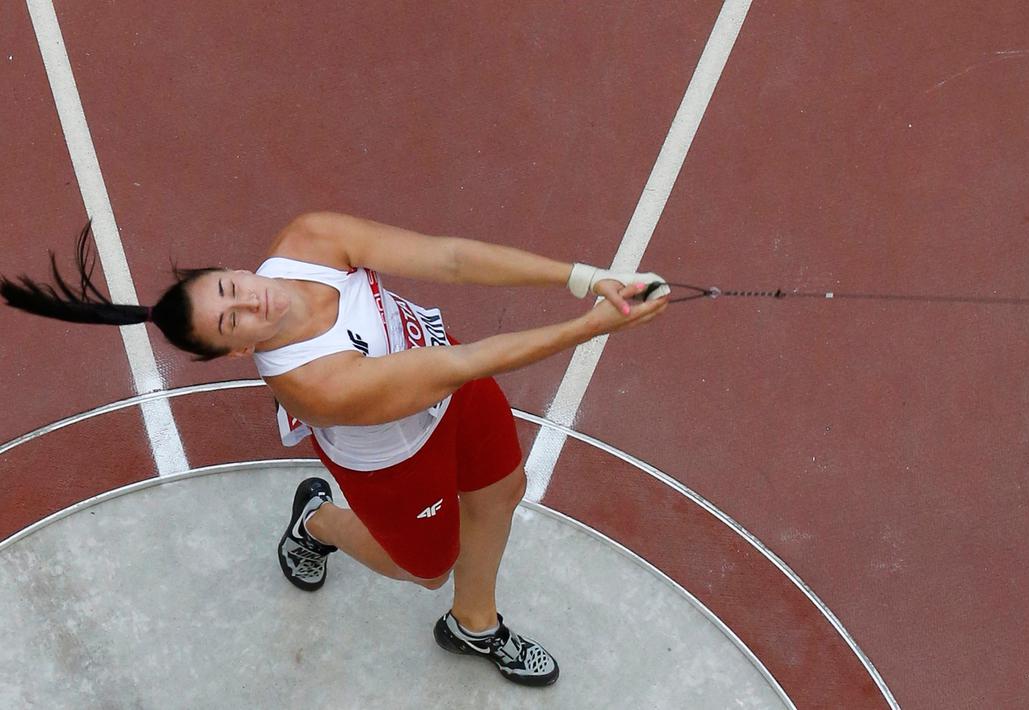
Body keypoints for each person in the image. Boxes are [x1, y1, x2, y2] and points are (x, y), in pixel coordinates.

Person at [1, 212, 670, 686]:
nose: (252, 304)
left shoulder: (310, 238)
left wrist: (585, 278)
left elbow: (451, 259)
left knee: (500, 492)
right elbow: (465, 361)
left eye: (232, 289)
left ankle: (474, 624)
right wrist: (590, 327)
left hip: (454, 388)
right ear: (236, 349)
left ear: (232, 270)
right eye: (234, 322)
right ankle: (315, 520)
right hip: (397, 453)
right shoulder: (312, 383)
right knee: (427, 568)